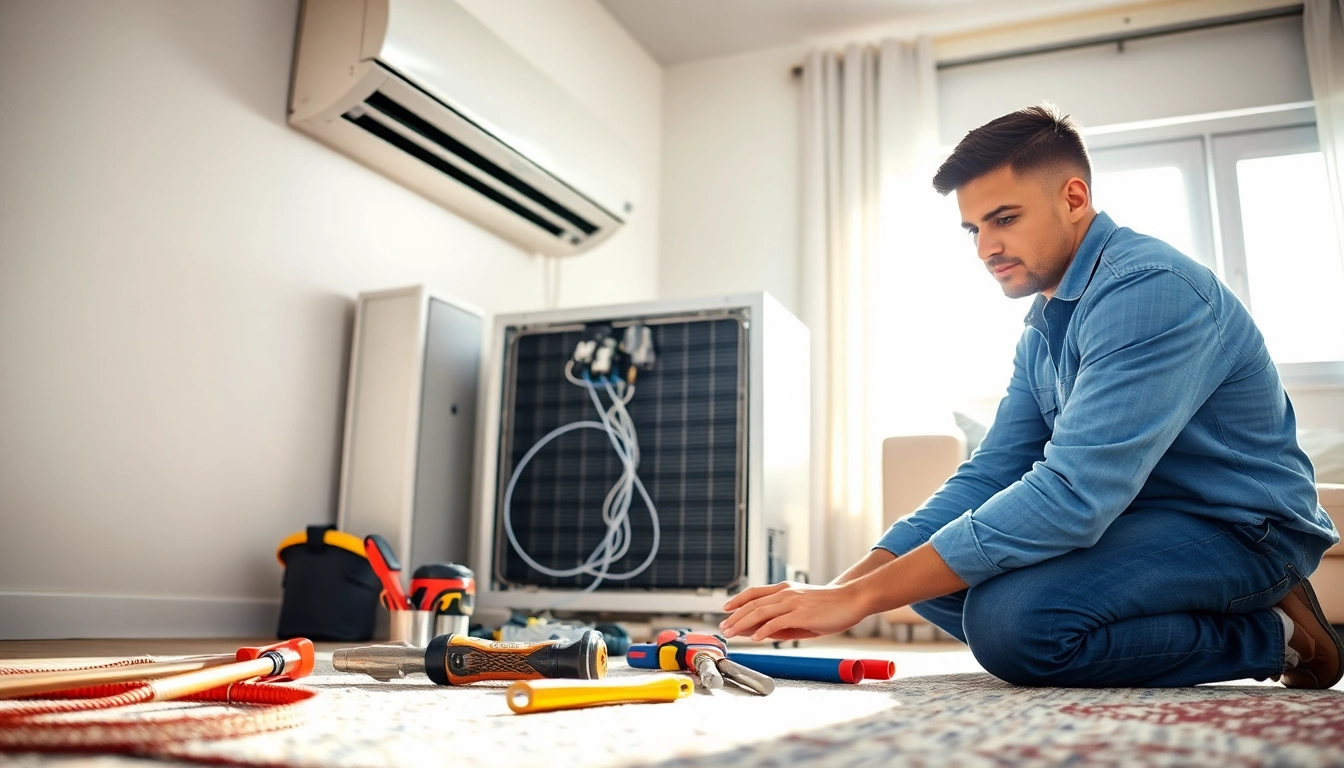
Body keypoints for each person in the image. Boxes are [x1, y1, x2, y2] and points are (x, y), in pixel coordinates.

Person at [719, 104, 1343, 689]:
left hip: (1238, 529)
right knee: (917, 576)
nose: (986, 247)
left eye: (1005, 219)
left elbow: (1073, 495)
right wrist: (840, 591)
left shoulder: (1150, 291)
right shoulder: (1044, 325)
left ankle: (1276, 635)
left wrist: (855, 601)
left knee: (1013, 625)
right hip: (1135, 522)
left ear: (1074, 198)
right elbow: (991, 471)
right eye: (973, 228)